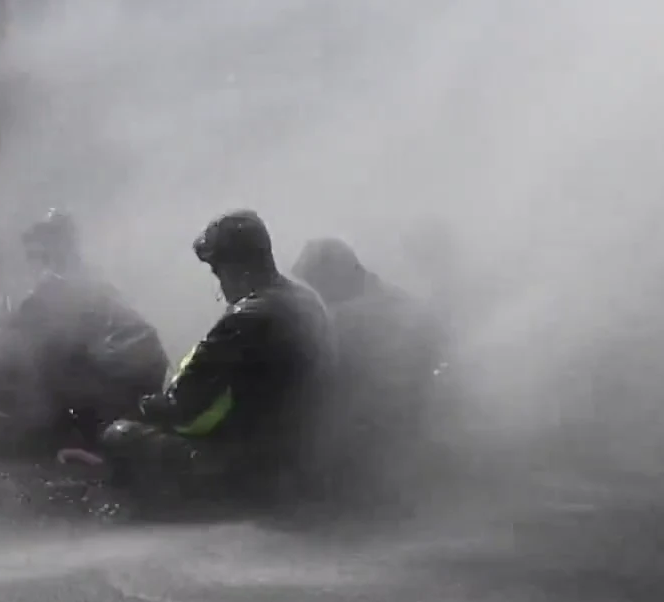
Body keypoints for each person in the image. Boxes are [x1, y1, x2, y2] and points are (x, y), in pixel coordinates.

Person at [93, 210, 335, 510]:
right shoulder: (306, 300)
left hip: (254, 468)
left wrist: (137, 407)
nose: (219, 282)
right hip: (307, 455)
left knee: (119, 435)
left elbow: (182, 407)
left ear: (235, 266)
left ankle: (138, 513)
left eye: (217, 270)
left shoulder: (244, 319)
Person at [0, 212, 167, 454]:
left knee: (19, 363)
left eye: (38, 251)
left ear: (54, 249)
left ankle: (63, 433)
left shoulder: (60, 286)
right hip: (141, 386)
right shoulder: (93, 279)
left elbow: (17, 339)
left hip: (116, 390)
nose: (32, 259)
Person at [290, 237, 449, 481]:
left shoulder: (351, 318)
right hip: (408, 427)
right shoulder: (390, 299)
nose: (314, 294)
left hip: (386, 438)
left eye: (315, 285)